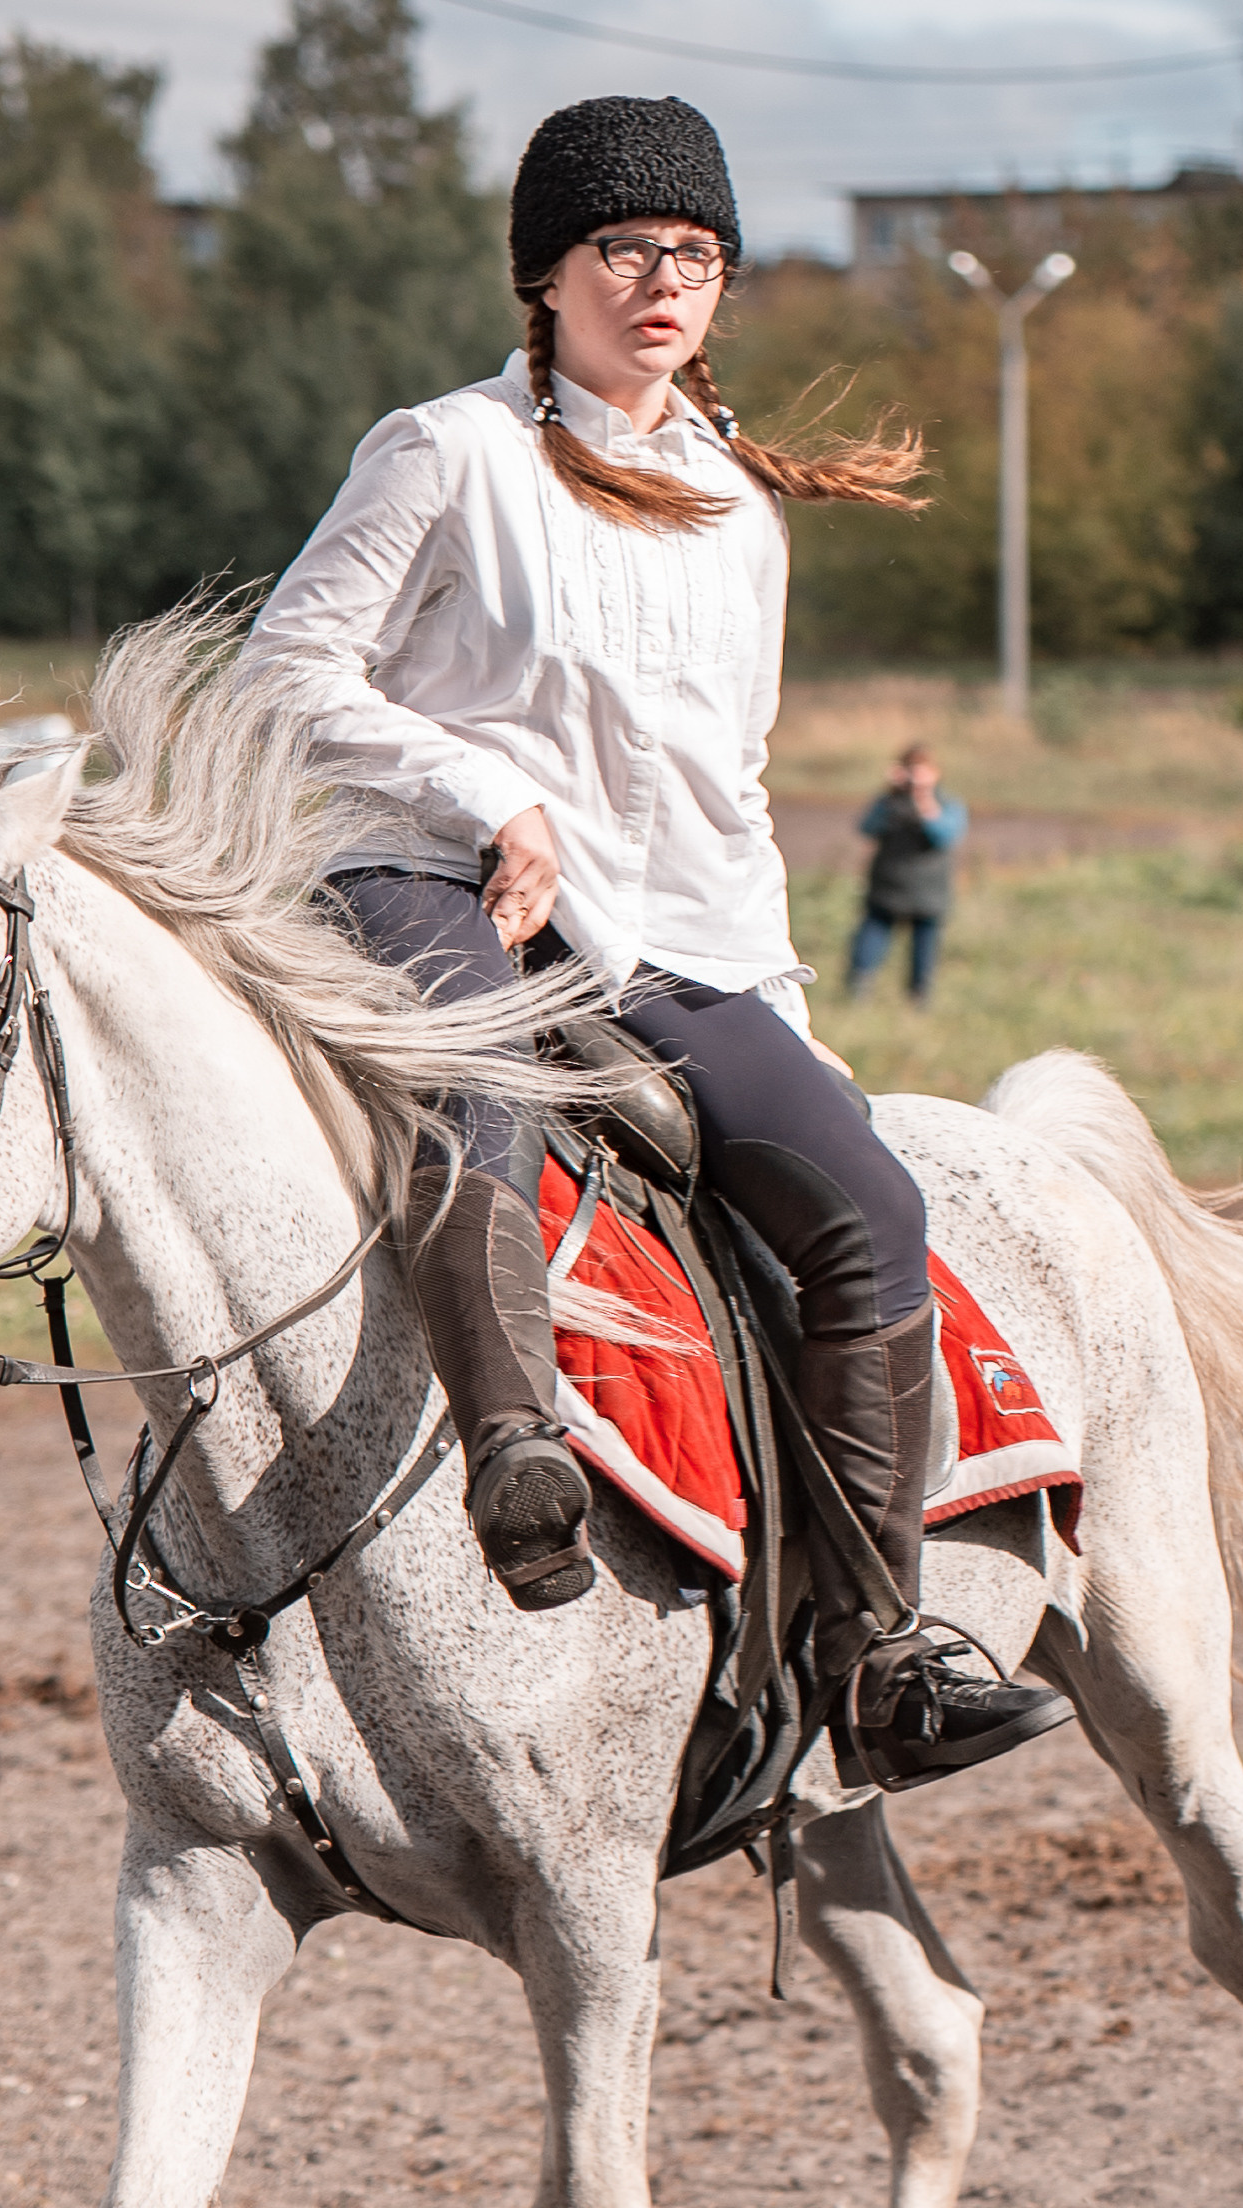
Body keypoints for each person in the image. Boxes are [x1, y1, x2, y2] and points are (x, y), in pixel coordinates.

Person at [240, 95, 1061, 1792]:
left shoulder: (735, 510)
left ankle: (873, 1654)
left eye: (693, 253)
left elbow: (723, 785)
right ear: (542, 273)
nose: (660, 280)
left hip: (676, 941)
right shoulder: (440, 449)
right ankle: (518, 1460)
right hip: (433, 883)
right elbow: (282, 671)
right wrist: (477, 793)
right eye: (622, 247)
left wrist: (777, 1009)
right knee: (477, 1101)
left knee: (870, 1205)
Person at [848, 744, 965, 1005]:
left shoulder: (947, 804)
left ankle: (918, 1000)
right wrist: (890, 793)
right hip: (888, 889)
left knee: (924, 952)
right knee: (869, 942)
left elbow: (944, 835)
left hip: (928, 892)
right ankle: (858, 992)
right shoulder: (889, 803)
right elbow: (867, 827)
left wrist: (923, 800)